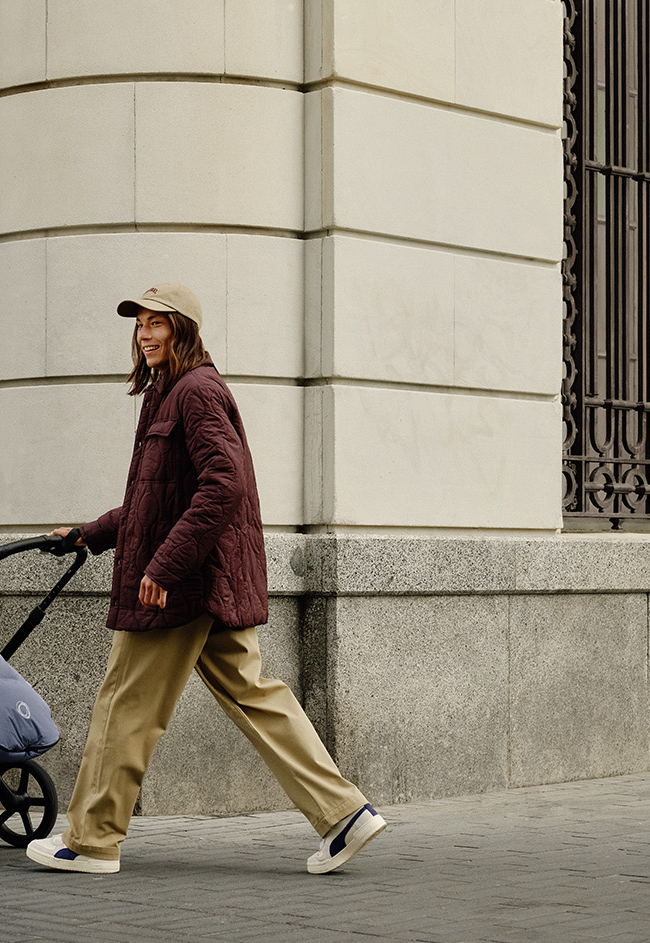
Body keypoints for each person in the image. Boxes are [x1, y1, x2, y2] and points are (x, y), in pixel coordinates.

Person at [26, 282, 385, 875]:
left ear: (184, 330)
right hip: (205, 581)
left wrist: (164, 564)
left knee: (125, 704)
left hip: (180, 584)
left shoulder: (195, 392)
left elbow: (225, 484)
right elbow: (157, 502)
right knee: (255, 695)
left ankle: (91, 842)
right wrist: (90, 533)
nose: (144, 334)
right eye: (140, 323)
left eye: (157, 323)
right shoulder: (168, 393)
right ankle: (346, 814)